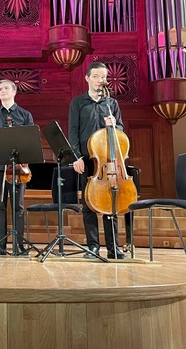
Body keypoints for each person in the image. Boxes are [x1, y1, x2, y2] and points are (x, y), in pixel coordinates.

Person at [68, 61, 127, 260]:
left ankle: (113, 248)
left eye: (103, 77)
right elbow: (73, 132)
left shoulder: (112, 104)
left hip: (108, 160)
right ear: (87, 78)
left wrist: (114, 126)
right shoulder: (78, 103)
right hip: (86, 159)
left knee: (111, 203)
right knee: (88, 204)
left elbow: (121, 131)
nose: (100, 80)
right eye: (96, 76)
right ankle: (93, 246)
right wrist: (76, 157)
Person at [0, 79, 34, 256]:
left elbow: (31, 140)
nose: (2, 91)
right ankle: (1, 246)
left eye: (6, 88)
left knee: (18, 207)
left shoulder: (25, 115)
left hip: (18, 167)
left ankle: (19, 245)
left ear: (14, 91)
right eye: (0, 89)